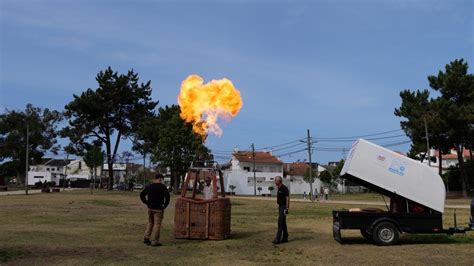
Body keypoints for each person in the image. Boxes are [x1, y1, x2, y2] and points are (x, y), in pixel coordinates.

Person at [140, 173, 170, 247]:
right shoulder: (163, 187)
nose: (162, 181)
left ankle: (146, 238)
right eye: (162, 179)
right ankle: (154, 241)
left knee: (150, 222)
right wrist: (164, 205)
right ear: (160, 179)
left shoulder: (150, 186)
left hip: (150, 208)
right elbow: (168, 197)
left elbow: (142, 194)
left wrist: (146, 202)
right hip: (159, 208)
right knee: (157, 224)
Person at [273, 176, 289, 245]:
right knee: (283, 223)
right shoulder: (279, 188)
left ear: (279, 181)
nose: (274, 181)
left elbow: (287, 199)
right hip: (280, 207)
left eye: (275, 180)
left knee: (280, 222)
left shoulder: (284, 188)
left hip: (283, 207)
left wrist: (287, 208)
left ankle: (278, 239)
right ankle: (285, 238)